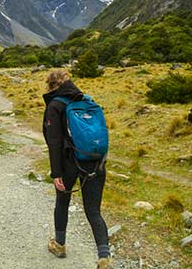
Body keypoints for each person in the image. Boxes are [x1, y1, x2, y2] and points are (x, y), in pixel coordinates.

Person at [42, 69, 111, 269]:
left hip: (68, 163)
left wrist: (56, 173)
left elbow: (54, 142)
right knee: (93, 210)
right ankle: (104, 257)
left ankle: (60, 245)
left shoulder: (55, 106)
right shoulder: (87, 101)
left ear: (51, 86)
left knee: (62, 202)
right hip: (95, 162)